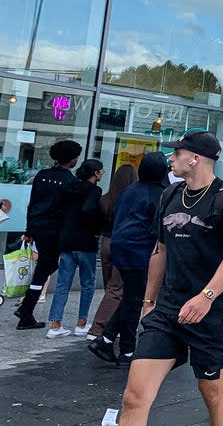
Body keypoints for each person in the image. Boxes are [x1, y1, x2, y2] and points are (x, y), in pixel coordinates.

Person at [53, 130, 223, 426]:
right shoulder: (169, 195)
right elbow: (159, 251)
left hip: (210, 313)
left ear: (195, 158)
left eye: (176, 153)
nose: (171, 159)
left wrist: (208, 296)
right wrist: (148, 301)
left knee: (212, 391)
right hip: (167, 311)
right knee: (134, 397)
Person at [89, 152, 171, 365]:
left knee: (130, 297)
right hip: (140, 251)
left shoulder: (131, 189)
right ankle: (119, 347)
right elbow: (158, 228)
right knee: (134, 301)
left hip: (120, 247)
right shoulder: (159, 194)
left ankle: (112, 343)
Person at [14, 138, 81, 329]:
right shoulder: (70, 182)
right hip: (54, 230)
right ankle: (26, 310)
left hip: (37, 225)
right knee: (45, 267)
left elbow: (33, 202)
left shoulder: (42, 175)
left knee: (44, 267)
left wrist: (29, 229)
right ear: (72, 159)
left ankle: (26, 309)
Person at [45, 159, 105, 337]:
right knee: (88, 283)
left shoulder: (70, 188)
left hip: (67, 239)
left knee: (63, 283)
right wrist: (96, 229)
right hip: (85, 241)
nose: (102, 174)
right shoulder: (95, 190)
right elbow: (88, 210)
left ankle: (55, 325)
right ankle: (81, 323)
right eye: (101, 171)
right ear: (95, 173)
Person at [87, 164, 138, 340]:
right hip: (122, 244)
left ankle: (109, 325)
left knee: (111, 287)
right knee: (116, 289)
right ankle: (98, 328)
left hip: (106, 242)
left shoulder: (105, 199)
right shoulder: (131, 199)